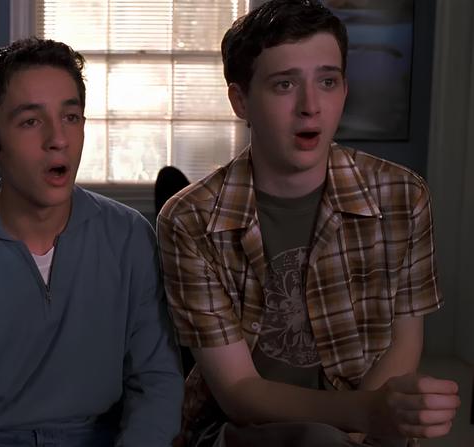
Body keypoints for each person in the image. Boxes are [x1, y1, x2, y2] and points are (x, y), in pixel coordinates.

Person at [156, 1, 460, 446]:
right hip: (241, 430)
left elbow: (405, 342)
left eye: (328, 81)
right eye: (284, 84)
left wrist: (367, 426)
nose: (311, 106)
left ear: (344, 89)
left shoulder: (403, 195)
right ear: (240, 100)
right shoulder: (189, 219)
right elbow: (239, 391)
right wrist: (365, 413)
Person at [0, 37, 183, 446]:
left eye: (71, 117)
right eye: (31, 121)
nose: (58, 138)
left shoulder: (130, 238)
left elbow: (157, 382)